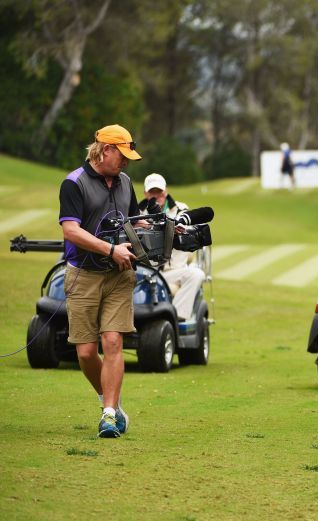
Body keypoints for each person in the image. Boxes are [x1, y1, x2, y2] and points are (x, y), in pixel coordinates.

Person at [59, 124, 142, 438]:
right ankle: (110, 400)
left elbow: (135, 221)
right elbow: (71, 231)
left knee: (113, 342)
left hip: (119, 275)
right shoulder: (74, 183)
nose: (125, 163)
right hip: (83, 275)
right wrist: (110, 248)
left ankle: (108, 415)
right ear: (105, 149)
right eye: (121, 156)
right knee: (85, 352)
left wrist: (166, 228)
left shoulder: (125, 182)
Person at [138, 173, 206, 321]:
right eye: (152, 192)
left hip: (174, 270)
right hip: (146, 272)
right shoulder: (137, 213)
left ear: (166, 191)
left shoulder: (181, 210)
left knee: (197, 274)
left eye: (159, 192)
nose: (156, 196)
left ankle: (175, 317)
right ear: (145, 194)